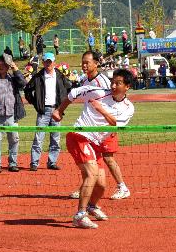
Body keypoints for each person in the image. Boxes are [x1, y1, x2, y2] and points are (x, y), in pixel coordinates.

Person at [58, 68, 136, 228]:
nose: (113, 86)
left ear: (127, 86)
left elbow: (116, 124)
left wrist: (101, 109)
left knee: (101, 185)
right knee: (91, 174)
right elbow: (74, 93)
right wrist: (59, 110)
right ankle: (80, 214)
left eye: (118, 83)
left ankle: (92, 206)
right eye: (113, 82)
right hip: (79, 135)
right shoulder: (98, 92)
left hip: (96, 143)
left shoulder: (128, 107)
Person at [55, 50, 131, 200]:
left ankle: (122, 186)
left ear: (96, 64)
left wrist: (111, 129)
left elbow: (112, 105)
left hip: (105, 128)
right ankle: (86, 186)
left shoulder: (102, 82)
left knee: (108, 157)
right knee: (90, 160)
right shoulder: (85, 80)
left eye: (87, 62)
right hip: (92, 127)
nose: (83, 65)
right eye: (82, 62)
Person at [23, 52, 70, 171]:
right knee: (38, 138)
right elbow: (27, 90)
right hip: (43, 111)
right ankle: (34, 163)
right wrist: (36, 103)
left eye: (50, 61)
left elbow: (69, 88)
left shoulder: (60, 75)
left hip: (57, 110)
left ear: (54, 62)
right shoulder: (38, 76)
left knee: (56, 138)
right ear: (43, 62)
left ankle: (52, 162)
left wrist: (61, 107)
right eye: (46, 61)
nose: (48, 64)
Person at [0, 55, 27, 172]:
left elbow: (23, 83)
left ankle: (13, 163)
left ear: (8, 67)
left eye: (4, 64)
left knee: (14, 139)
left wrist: (15, 67)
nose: (1, 66)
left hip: (12, 114)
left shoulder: (13, 78)